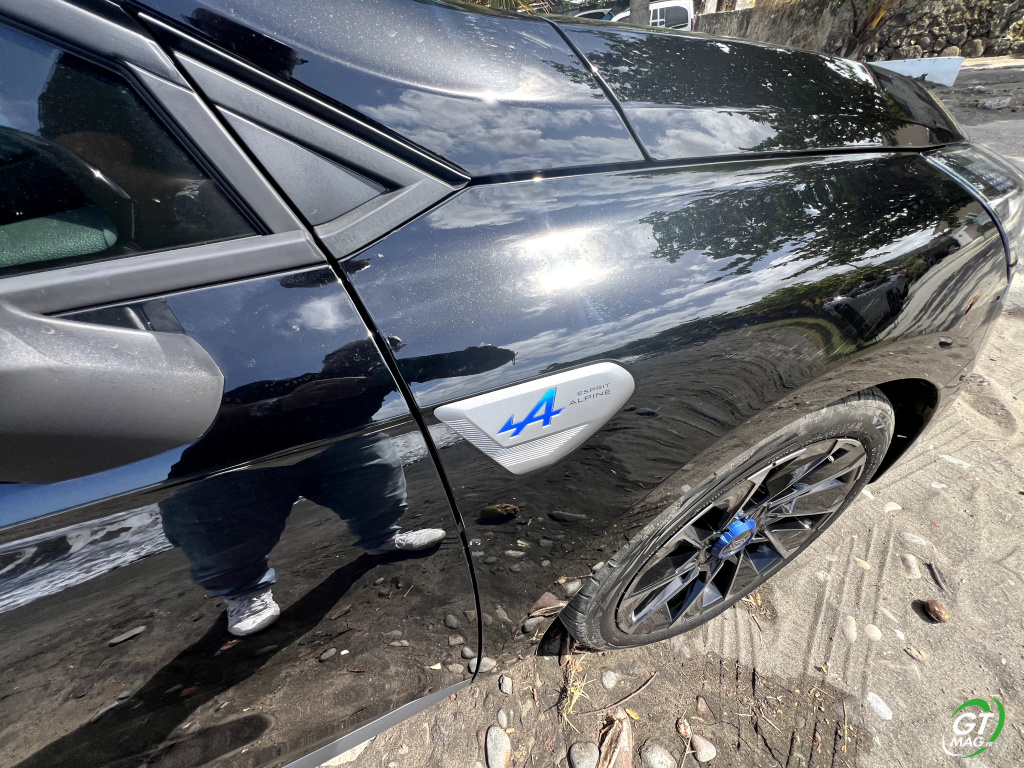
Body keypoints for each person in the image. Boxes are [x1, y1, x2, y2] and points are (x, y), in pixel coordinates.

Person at [160, 332, 515, 635]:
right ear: (330, 358)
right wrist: (284, 403)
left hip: (332, 446)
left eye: (378, 354)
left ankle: (382, 538)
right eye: (358, 352)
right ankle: (243, 591)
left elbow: (437, 365)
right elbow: (208, 418)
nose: (367, 359)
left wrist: (490, 356)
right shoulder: (273, 384)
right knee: (217, 528)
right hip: (231, 462)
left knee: (375, 462)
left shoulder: (374, 382)